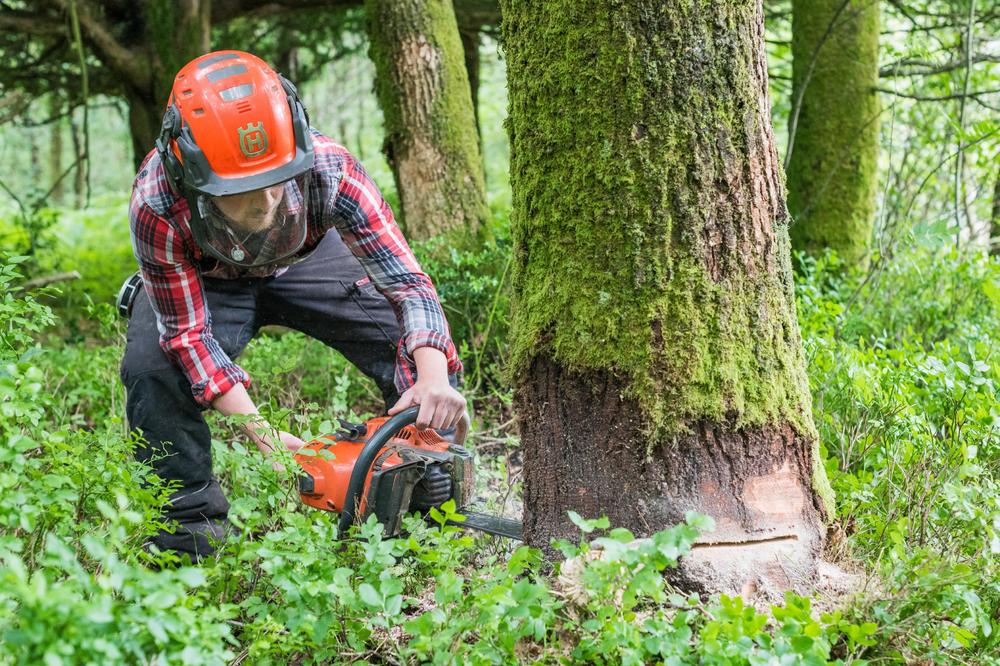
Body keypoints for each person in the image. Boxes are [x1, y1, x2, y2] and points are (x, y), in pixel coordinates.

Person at [119, 50, 465, 560]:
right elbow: (188, 336)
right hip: (209, 278)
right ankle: (185, 537)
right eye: (242, 191)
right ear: (189, 169)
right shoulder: (156, 201)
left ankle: (427, 498)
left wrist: (433, 376)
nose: (265, 203)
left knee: (414, 348)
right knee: (152, 367)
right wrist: (261, 434)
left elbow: (407, 283)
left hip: (308, 257)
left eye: (277, 183)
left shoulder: (331, 168)